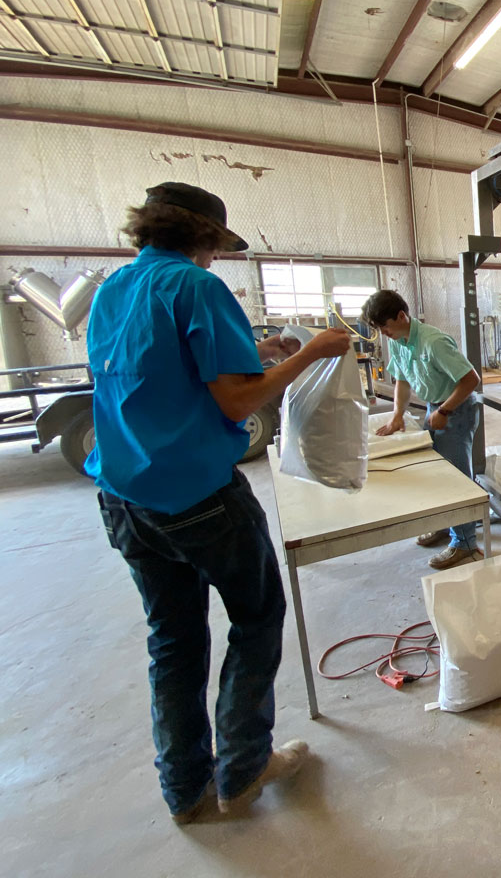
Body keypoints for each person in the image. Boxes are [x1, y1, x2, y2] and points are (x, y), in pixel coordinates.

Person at [87, 182, 352, 824]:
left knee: (173, 642)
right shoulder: (196, 286)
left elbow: (159, 370)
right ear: (203, 236)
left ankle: (183, 791)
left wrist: (256, 353)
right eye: (216, 247)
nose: (215, 259)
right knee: (257, 621)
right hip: (197, 498)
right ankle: (242, 770)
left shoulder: (112, 290)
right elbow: (235, 403)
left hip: (123, 499)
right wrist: (314, 351)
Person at [361, 290, 482, 569]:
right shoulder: (399, 341)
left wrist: (445, 411)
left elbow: (470, 379)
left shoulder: (433, 342)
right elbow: (402, 380)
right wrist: (397, 416)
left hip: (456, 409)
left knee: (455, 478)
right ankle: (445, 525)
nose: (384, 334)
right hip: (435, 407)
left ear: (401, 316)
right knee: (436, 474)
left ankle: (465, 542)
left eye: (385, 327)